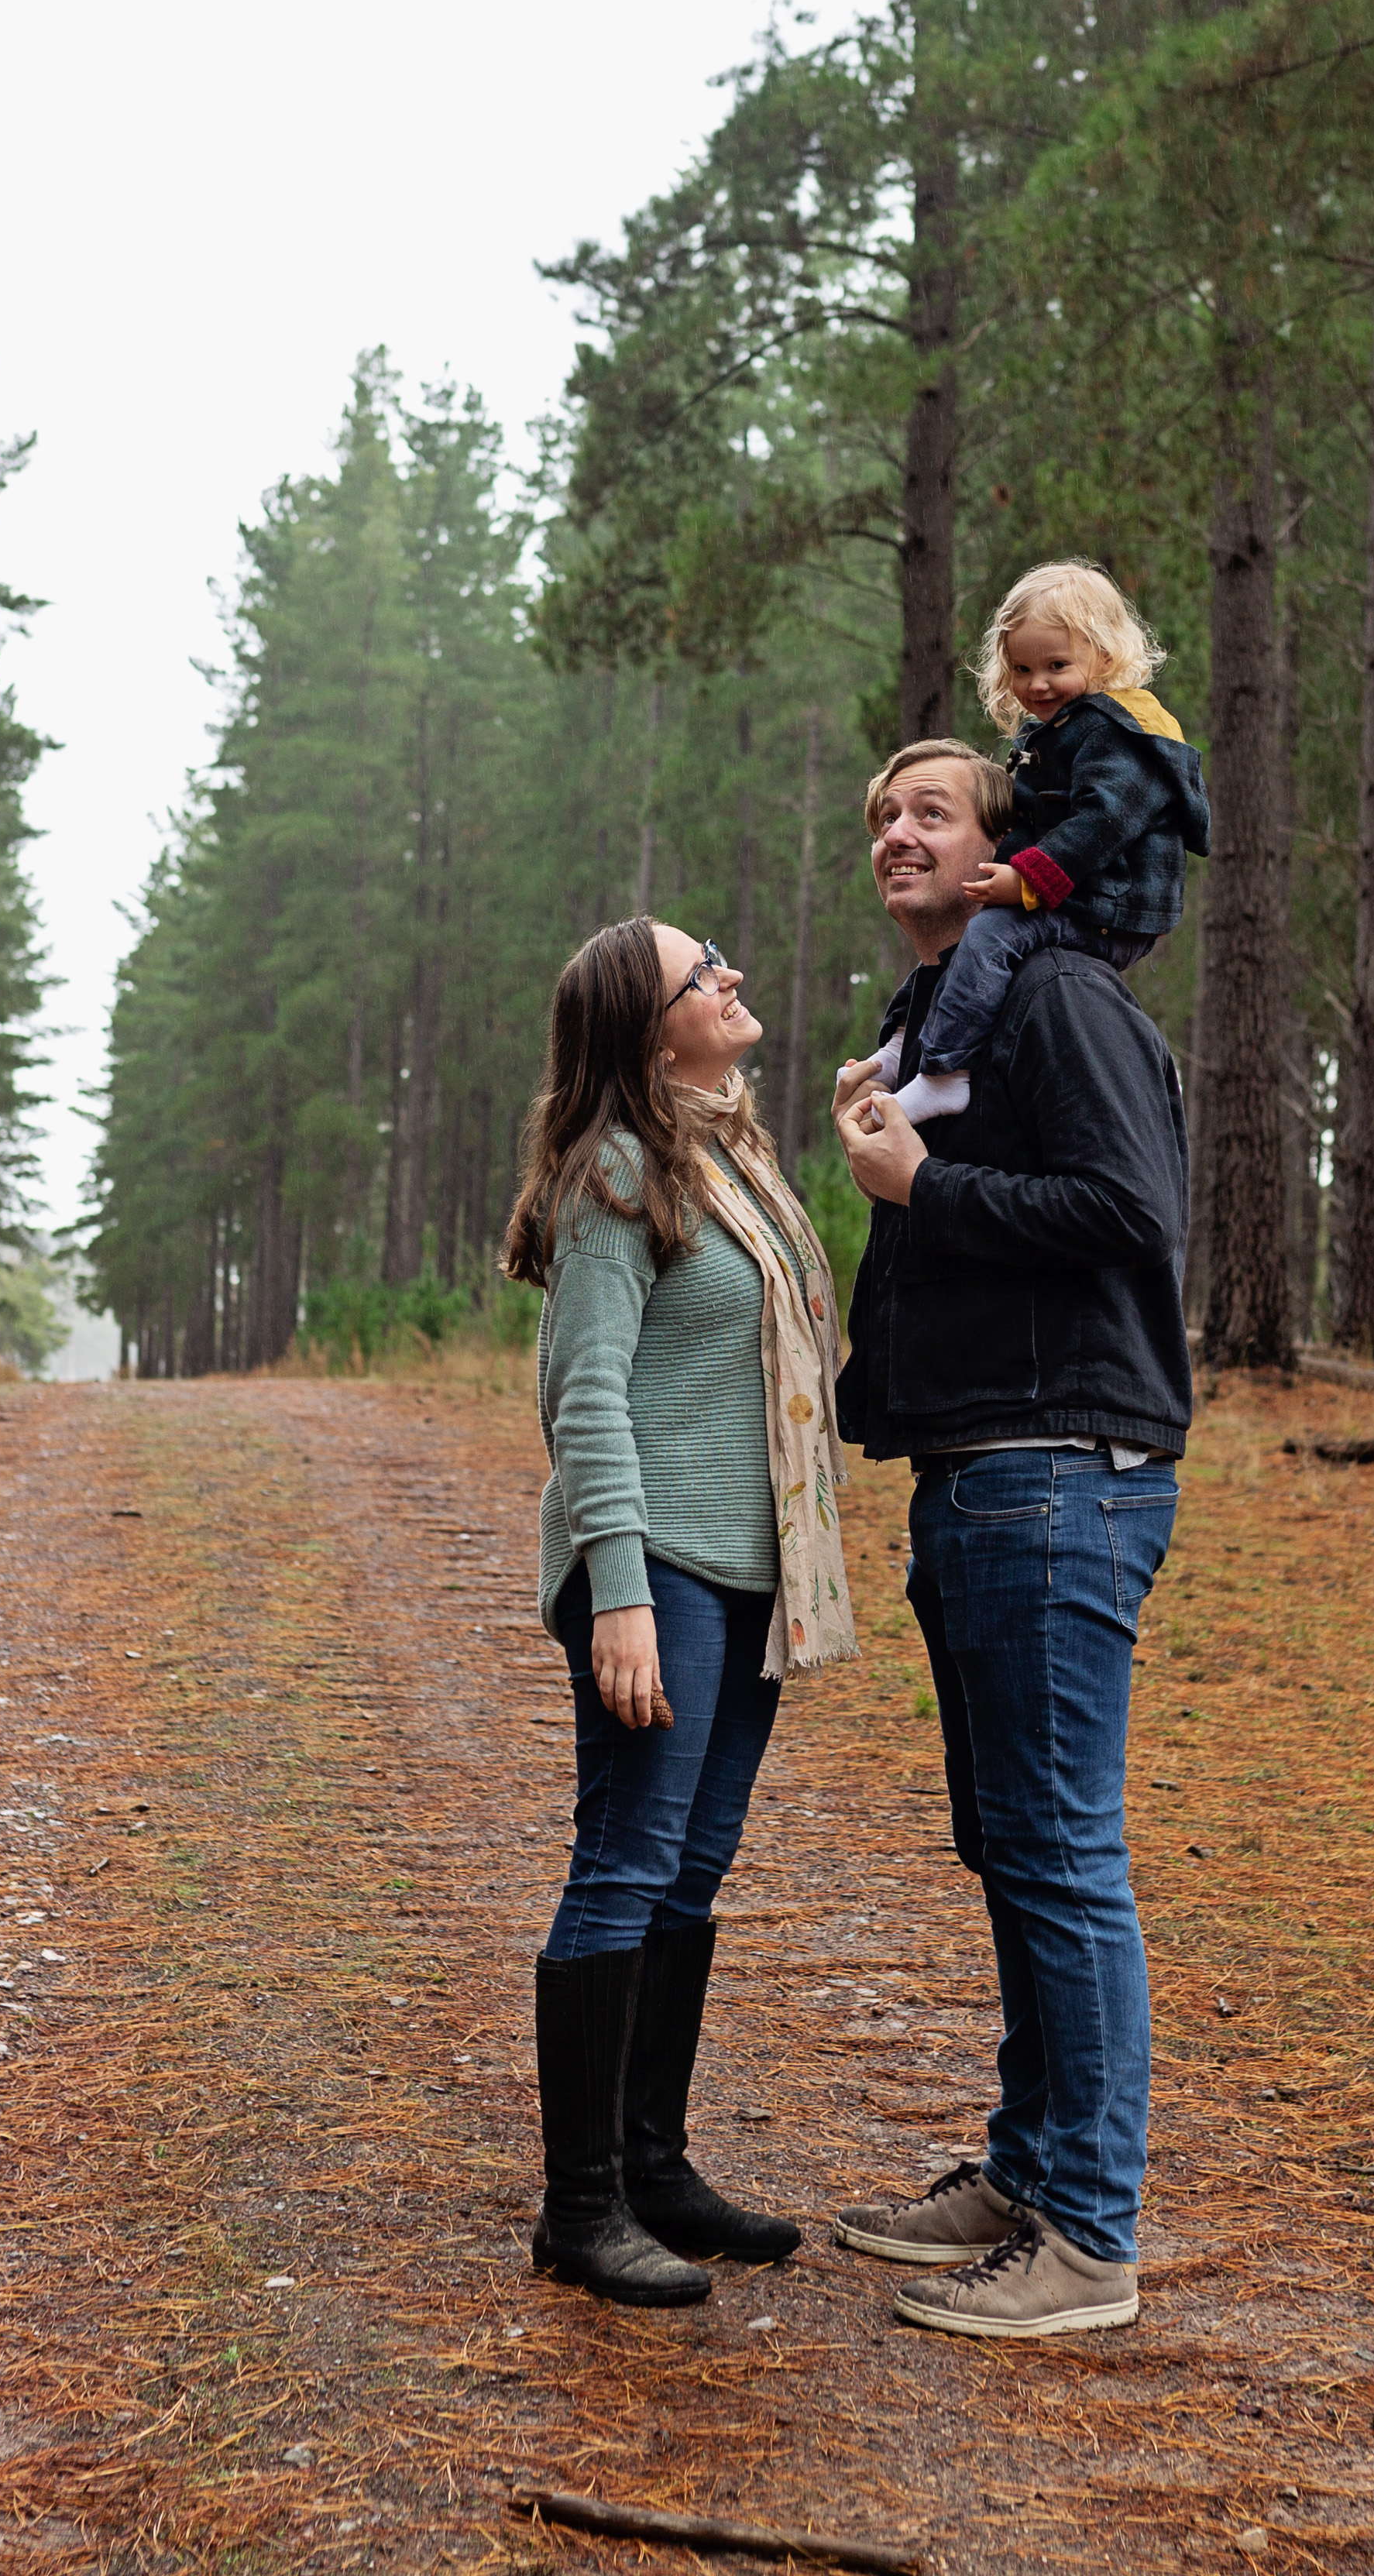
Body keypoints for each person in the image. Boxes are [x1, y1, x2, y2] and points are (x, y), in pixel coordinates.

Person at [824, 740, 1191, 2340]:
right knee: (1013, 1846)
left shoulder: (1053, 994)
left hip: (1061, 1470)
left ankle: (1089, 2242)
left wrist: (925, 1185)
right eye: (880, 817)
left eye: (933, 812)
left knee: (1060, 1854)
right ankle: (1030, 2170)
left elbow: (1132, 1209)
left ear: (1002, 848)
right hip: (976, 1472)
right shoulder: (944, 1015)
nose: (899, 834)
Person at [500, 915, 860, 2306]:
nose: (732, 979)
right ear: (652, 1033)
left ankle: (652, 2164)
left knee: (691, 1868)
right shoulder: (614, 1177)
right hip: (661, 1573)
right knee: (628, 1861)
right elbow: (585, 1399)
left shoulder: (733, 1163)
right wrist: (622, 1598)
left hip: (752, 1570)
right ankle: (580, 2209)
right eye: (701, 974)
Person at [884, 562, 1212, 1125]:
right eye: (1022, 668)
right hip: (1080, 894)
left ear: (1103, 657)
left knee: (990, 934)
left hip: (1111, 906)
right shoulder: (1054, 729)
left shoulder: (1122, 733)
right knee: (963, 941)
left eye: (1056, 666)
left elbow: (1100, 826)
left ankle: (942, 1074)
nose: (1036, 684)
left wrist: (1028, 881)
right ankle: (904, 1044)